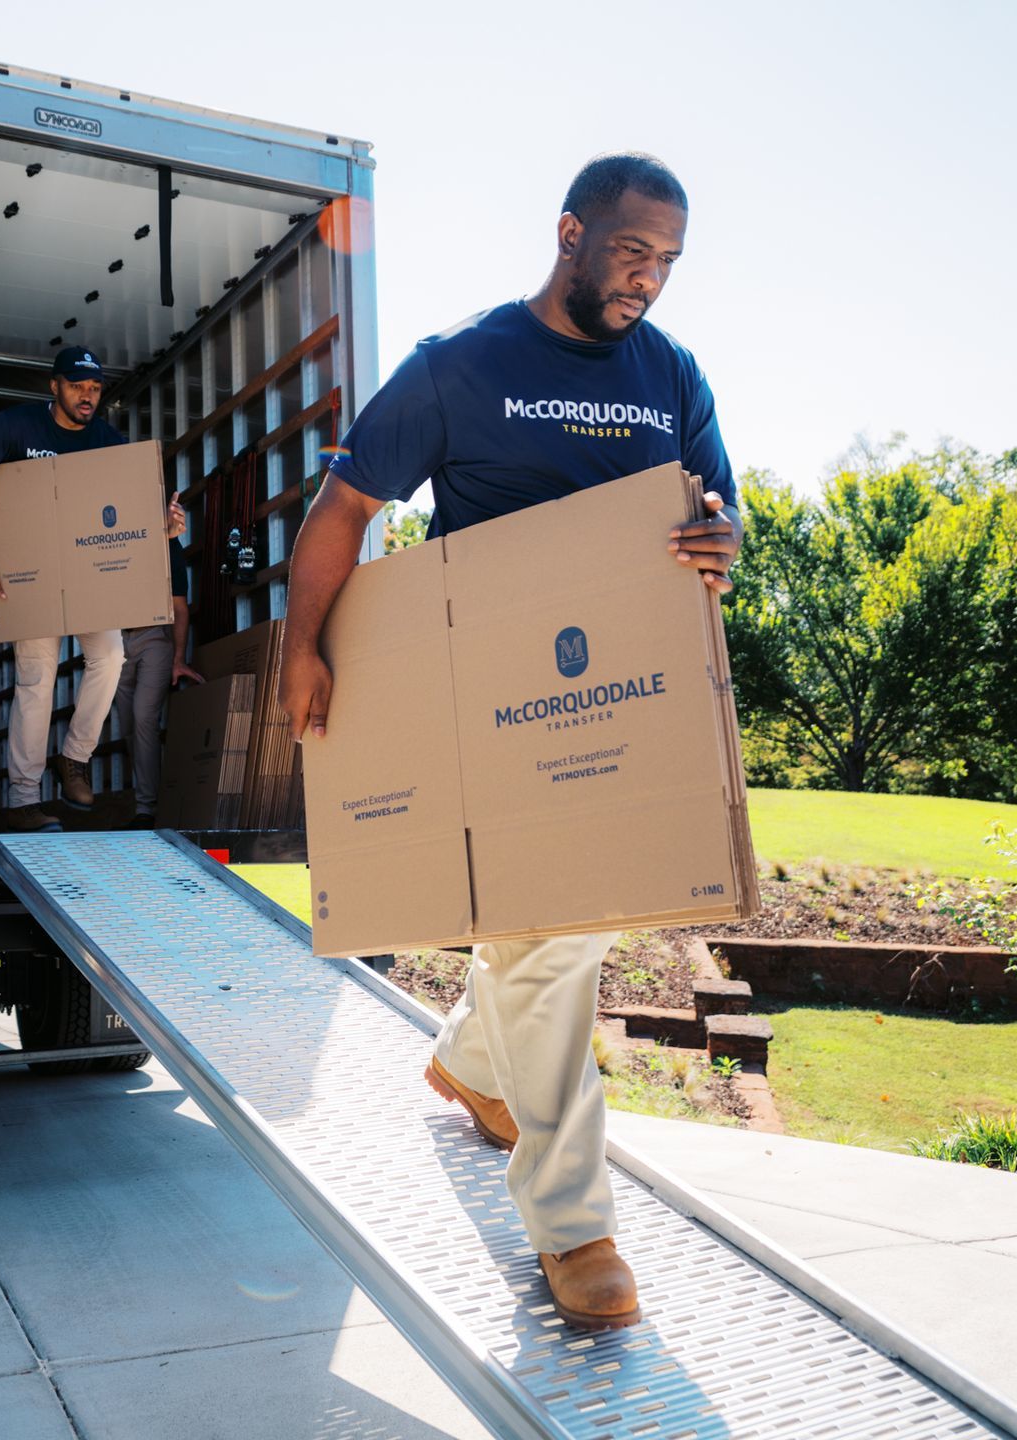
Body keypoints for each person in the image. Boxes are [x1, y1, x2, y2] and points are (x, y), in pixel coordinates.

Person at [279, 153, 742, 1330]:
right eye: (633, 252)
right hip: (489, 697)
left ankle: (473, 1064)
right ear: (571, 233)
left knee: (565, 923)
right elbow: (345, 508)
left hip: (626, 695)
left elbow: (715, 514)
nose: (649, 279)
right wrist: (304, 646)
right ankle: (573, 1222)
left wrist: (719, 545)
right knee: (551, 939)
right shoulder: (462, 364)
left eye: (670, 263)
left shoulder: (672, 371)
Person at [0, 344, 181, 831]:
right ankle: (24, 799)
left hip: (88, 578)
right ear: (54, 386)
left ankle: (74, 757)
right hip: (27, 581)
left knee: (111, 656)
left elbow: (130, 519)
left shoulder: (108, 442)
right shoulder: (16, 427)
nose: (87, 396)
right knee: (36, 682)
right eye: (77, 386)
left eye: (94, 388)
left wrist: (165, 530)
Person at [112, 525, 204, 827]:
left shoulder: (170, 549)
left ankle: (146, 810)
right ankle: (143, 800)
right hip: (116, 640)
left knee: (143, 716)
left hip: (153, 637)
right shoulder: (117, 542)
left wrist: (178, 658)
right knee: (126, 723)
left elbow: (179, 607)